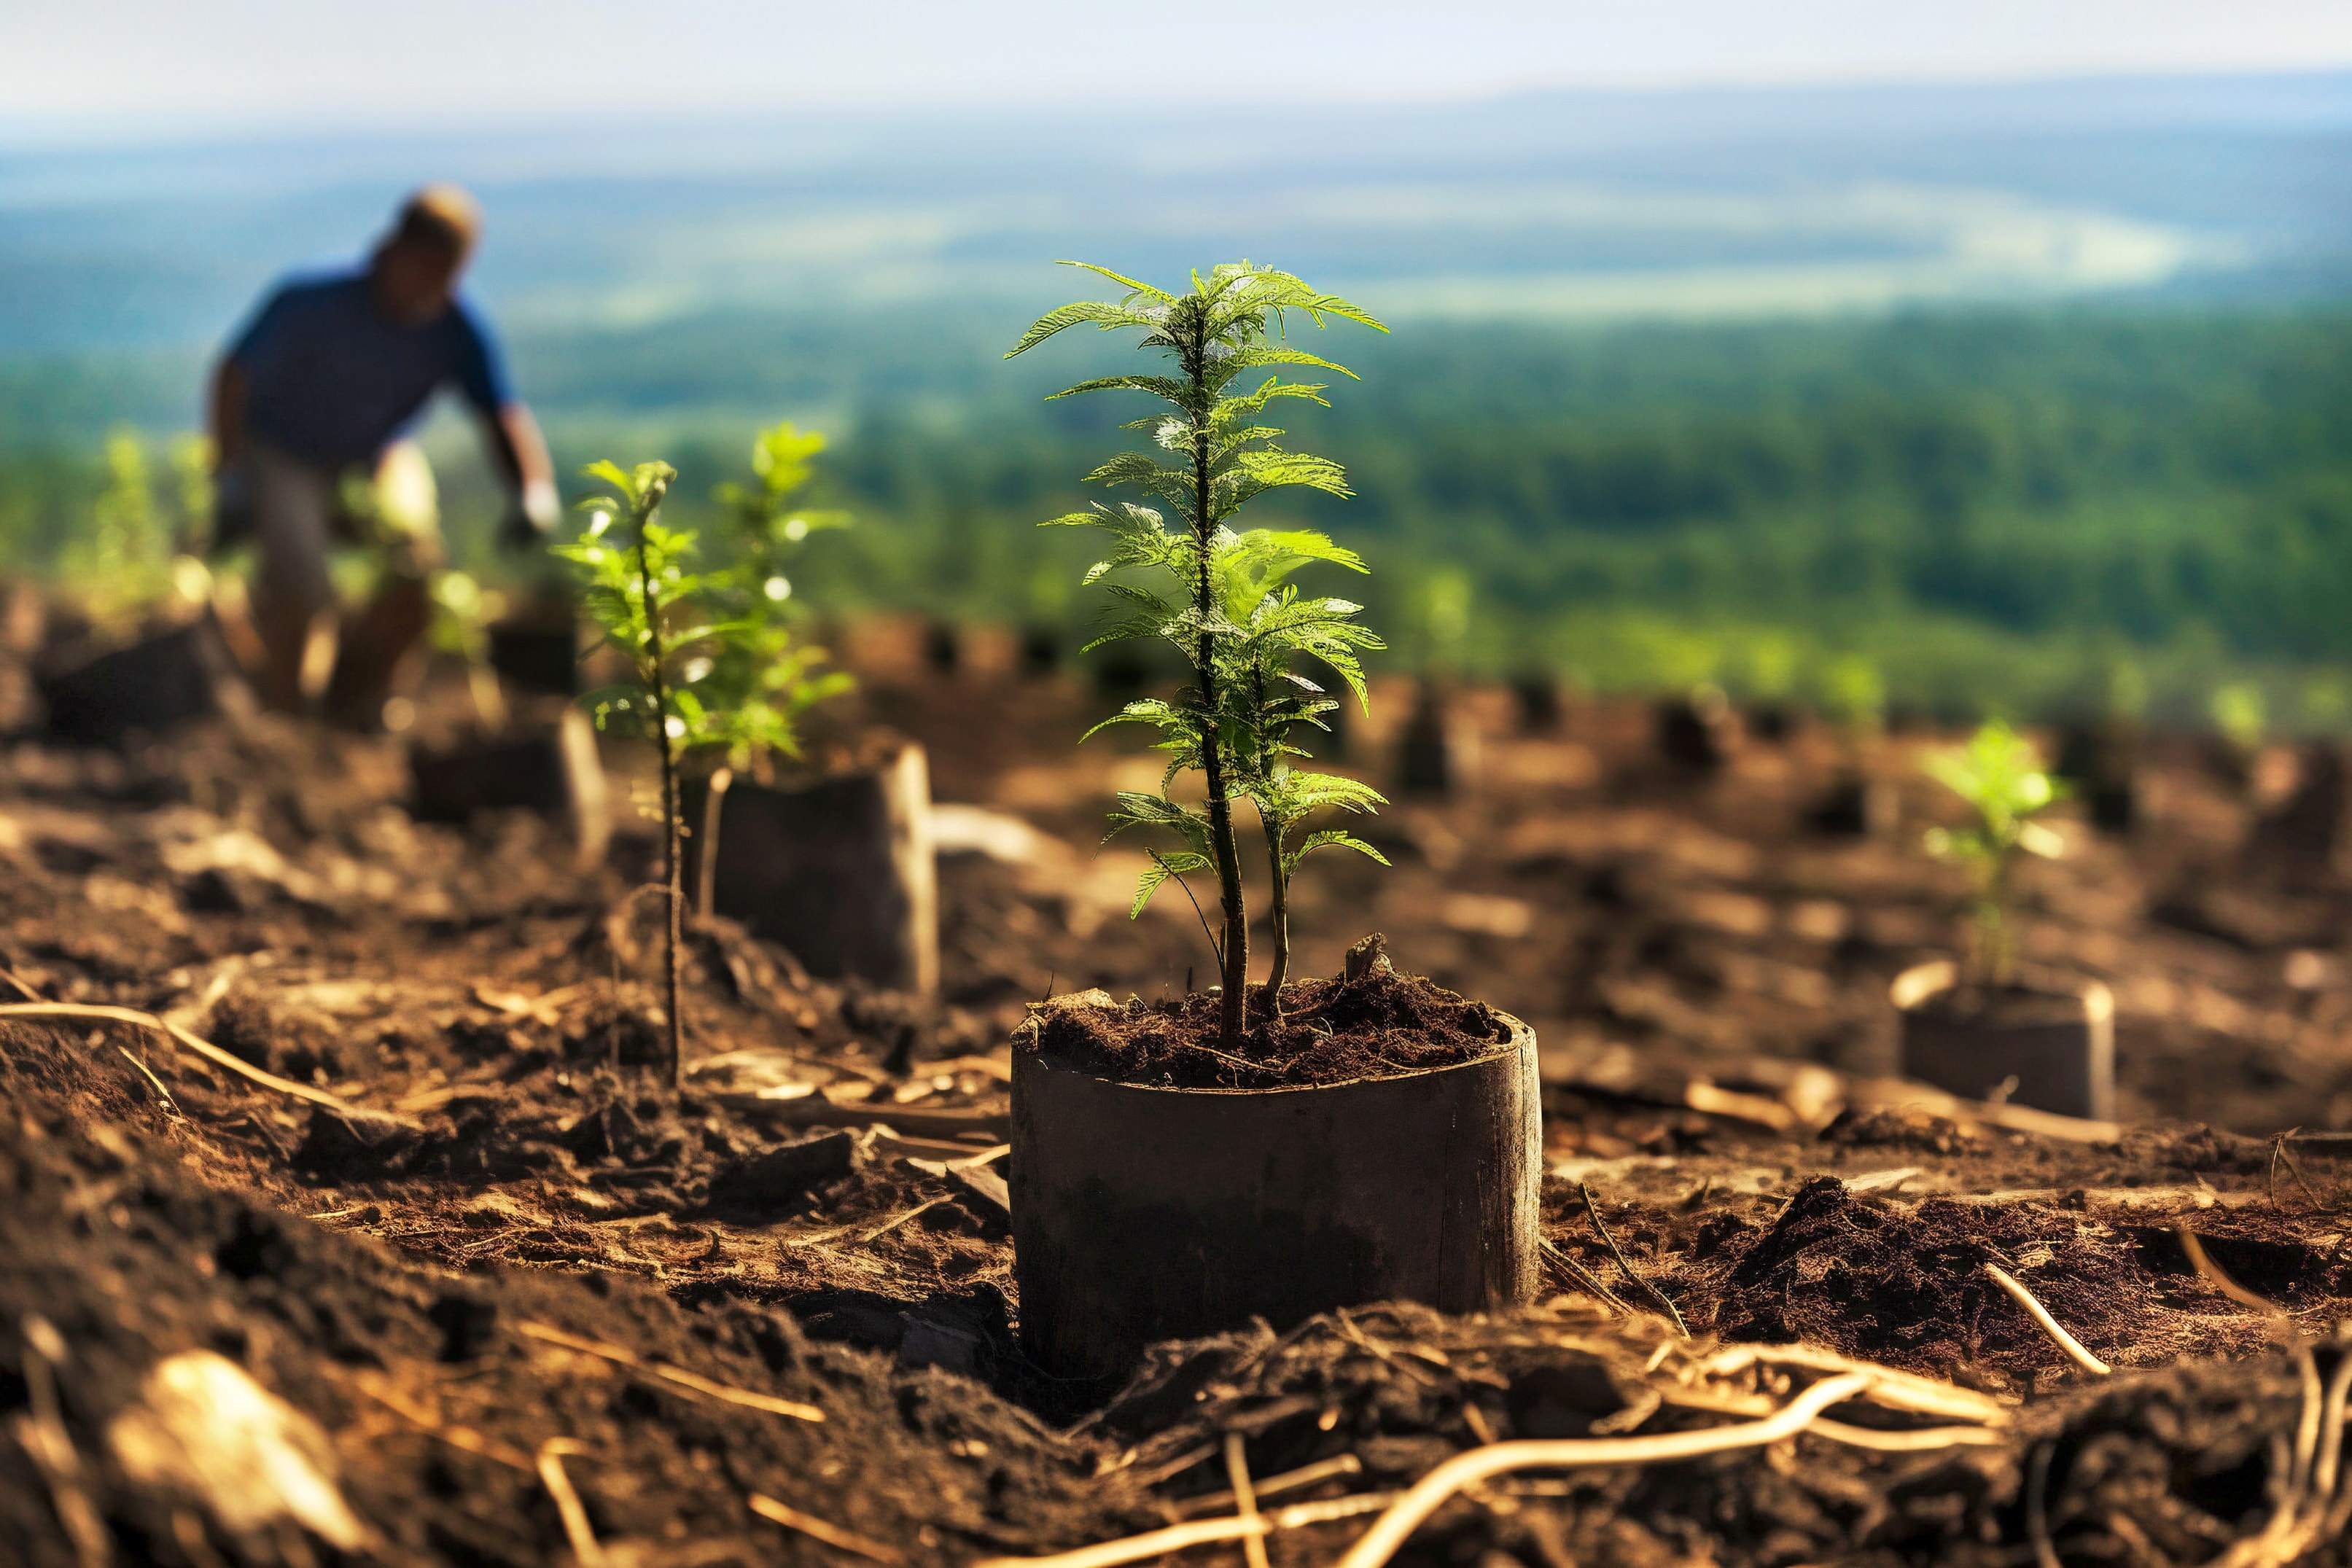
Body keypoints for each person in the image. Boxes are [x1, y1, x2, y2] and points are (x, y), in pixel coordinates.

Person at [207, 184, 559, 723]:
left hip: (376, 453)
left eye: (447, 275)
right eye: (426, 270)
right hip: (283, 453)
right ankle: (289, 719)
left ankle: (359, 701)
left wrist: (532, 490)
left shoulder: (455, 327)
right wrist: (229, 477)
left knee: (418, 574)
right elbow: (234, 377)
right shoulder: (310, 303)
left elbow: (499, 413)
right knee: (304, 589)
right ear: (396, 251)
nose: (433, 287)